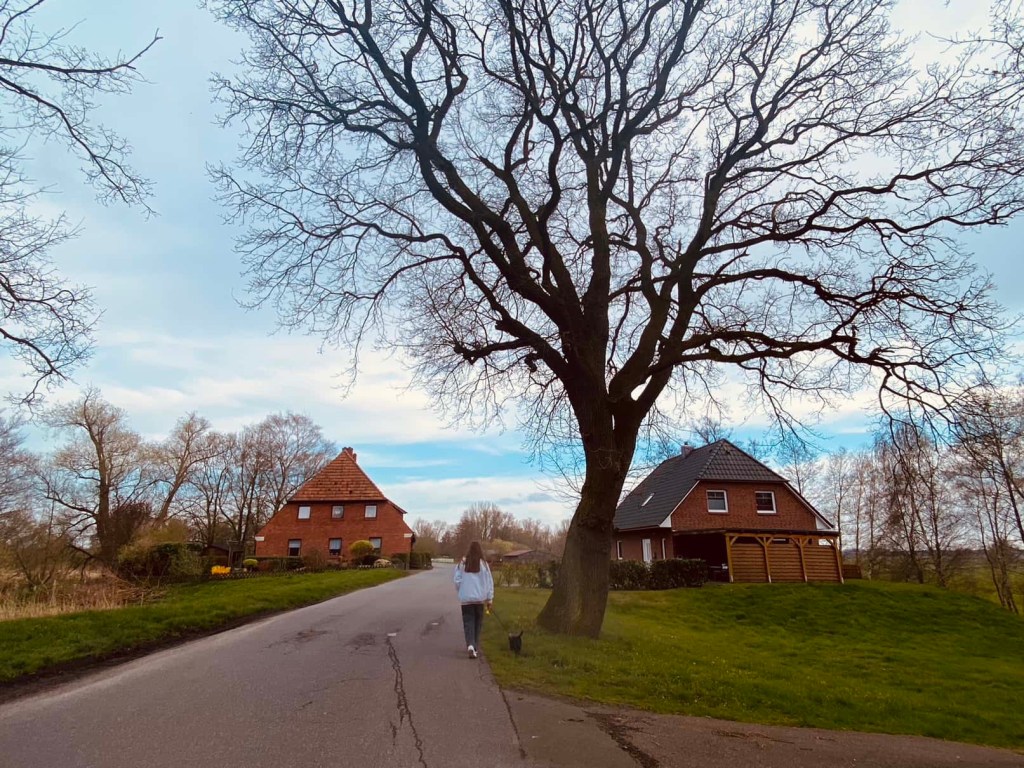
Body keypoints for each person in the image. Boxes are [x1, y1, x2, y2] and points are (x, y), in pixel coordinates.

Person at [453, 541, 493, 659]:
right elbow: (489, 582)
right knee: (477, 624)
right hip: (479, 600)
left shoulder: (463, 563)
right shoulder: (484, 565)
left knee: (468, 623)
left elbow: (457, 580)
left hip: (466, 600)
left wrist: (462, 590)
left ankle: (470, 644)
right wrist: (489, 599)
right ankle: (474, 646)